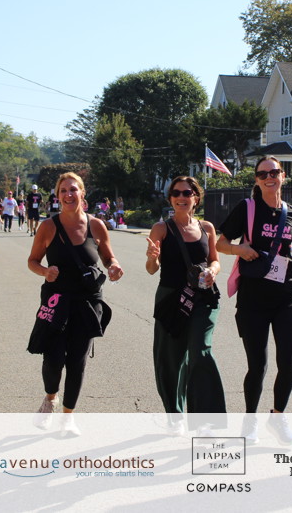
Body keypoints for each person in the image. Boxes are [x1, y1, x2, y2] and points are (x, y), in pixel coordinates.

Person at [216, 155, 292, 446]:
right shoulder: (247, 208)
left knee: (288, 361)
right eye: (263, 174)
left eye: (275, 172)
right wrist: (240, 250)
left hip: (288, 295)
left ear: (283, 176)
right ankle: (250, 421)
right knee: (257, 365)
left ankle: (278, 417)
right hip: (253, 298)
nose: (270, 177)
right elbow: (220, 243)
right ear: (256, 180)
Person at [27, 173, 123, 435]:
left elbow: (108, 257)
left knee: (77, 361)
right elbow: (32, 261)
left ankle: (68, 417)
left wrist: (114, 267)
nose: (68, 195)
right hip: (56, 299)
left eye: (73, 189)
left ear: (82, 193)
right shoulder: (48, 227)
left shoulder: (97, 226)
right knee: (53, 357)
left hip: (88, 302)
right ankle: (50, 398)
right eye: (63, 191)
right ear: (57, 196)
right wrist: (45, 271)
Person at [145, 176, 226, 435]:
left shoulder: (207, 228)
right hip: (171, 299)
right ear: (171, 198)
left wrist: (213, 271)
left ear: (196, 198)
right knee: (171, 359)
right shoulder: (161, 229)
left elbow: (215, 260)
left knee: (200, 350)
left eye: (187, 193)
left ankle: (206, 421)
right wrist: (152, 258)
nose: (182, 197)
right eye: (177, 193)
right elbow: (151, 269)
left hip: (203, 299)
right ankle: (175, 415)